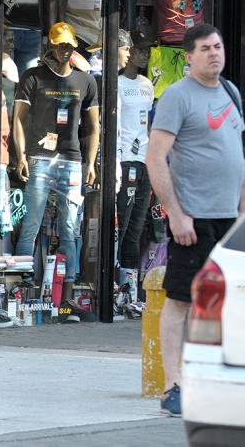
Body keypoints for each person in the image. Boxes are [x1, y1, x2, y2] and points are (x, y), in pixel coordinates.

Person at [146, 23, 244, 417]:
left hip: (230, 219)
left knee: (226, 303)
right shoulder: (176, 96)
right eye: (205, 49)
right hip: (194, 218)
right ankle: (174, 385)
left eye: (218, 46)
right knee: (182, 300)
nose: (214, 54)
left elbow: (237, 154)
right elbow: (156, 158)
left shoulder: (231, 92)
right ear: (188, 56)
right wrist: (176, 214)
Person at [12, 22, 99, 308]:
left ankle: (69, 292)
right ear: (50, 44)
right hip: (40, 158)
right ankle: (23, 286)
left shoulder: (85, 81)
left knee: (69, 225)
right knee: (32, 222)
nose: (65, 50)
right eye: (60, 45)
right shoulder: (33, 77)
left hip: (71, 159)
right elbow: (19, 120)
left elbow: (94, 126)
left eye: (69, 45)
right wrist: (22, 155)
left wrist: (90, 162)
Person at [115, 29, 154, 310]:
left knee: (137, 226)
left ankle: (129, 291)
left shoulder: (147, 85)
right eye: (139, 50)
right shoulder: (115, 84)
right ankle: (114, 287)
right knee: (123, 221)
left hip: (145, 160)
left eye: (146, 51)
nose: (142, 55)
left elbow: (147, 123)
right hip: (124, 158)